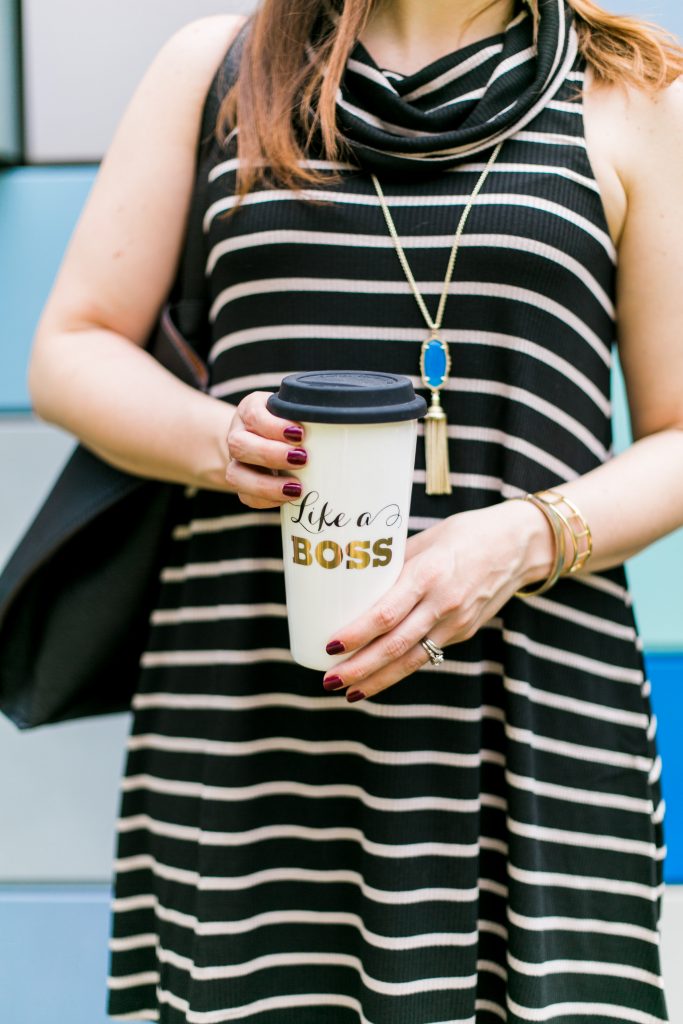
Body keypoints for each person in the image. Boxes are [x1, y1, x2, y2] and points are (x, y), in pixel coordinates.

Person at [26, 0, 683, 1020]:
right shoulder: (219, 70)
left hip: (530, 730)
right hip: (249, 734)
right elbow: (71, 349)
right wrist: (218, 440)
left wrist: (524, 535)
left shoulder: (631, 93)